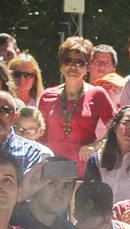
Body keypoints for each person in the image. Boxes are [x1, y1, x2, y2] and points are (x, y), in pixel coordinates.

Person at [37, 36, 115, 173]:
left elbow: (116, 128)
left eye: (80, 62)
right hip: (51, 170)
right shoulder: (47, 96)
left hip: (83, 170)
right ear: (61, 65)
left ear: (87, 67)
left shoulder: (97, 94)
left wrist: (96, 145)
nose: (73, 66)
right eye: (68, 61)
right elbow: (39, 136)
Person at [11, 157, 85, 229]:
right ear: (36, 184)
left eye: (66, 186)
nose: (59, 193)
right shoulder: (12, 218)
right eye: (52, 184)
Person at [84, 106, 130, 203]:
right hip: (100, 216)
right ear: (115, 127)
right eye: (125, 123)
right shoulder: (96, 160)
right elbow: (88, 196)